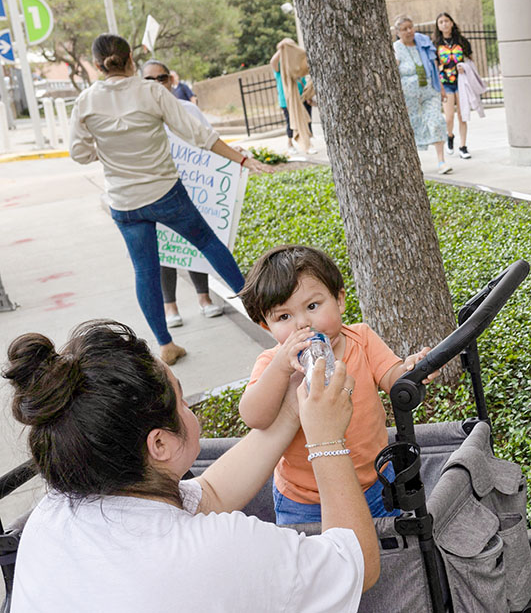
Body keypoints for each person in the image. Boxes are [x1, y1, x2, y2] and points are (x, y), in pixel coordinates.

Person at [3, 319, 379, 611]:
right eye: (182, 401)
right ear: (160, 443)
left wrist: (293, 413)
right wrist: (327, 440)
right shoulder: (218, 553)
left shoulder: (57, 510)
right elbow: (355, 562)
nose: (189, 409)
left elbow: (209, 494)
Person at [69, 34, 271, 365]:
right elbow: (198, 135)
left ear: (96, 66)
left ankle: (166, 344)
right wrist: (243, 160)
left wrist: (104, 150)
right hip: (165, 193)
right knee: (208, 243)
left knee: (144, 270)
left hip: (125, 202)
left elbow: (78, 152)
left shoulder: (86, 102)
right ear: (130, 58)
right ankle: (258, 313)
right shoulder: (150, 91)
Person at [237, 245, 437, 525]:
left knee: (388, 551)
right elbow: (254, 416)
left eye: (312, 306)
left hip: (376, 484)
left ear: (339, 300)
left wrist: (412, 369)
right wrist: (281, 368)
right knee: (317, 565)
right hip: (305, 500)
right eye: (284, 317)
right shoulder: (273, 363)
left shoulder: (362, 340)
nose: (303, 323)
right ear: (266, 327)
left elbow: (395, 381)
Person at [142, 59, 225, 327]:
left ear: (171, 80)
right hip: (156, 192)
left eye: (162, 78)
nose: (156, 84)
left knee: (193, 244)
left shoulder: (188, 109)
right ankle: (170, 306)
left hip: (192, 188)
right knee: (165, 249)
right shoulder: (139, 115)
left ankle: (204, 298)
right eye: (149, 80)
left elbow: (210, 141)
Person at [392, 15, 450, 175]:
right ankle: (413, 164)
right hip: (408, 97)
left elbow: (434, 65)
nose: (409, 31)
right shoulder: (396, 48)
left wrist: (442, 88)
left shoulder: (423, 43)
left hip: (429, 91)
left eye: (411, 27)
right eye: (404, 29)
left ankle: (441, 161)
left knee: (437, 120)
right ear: (398, 32)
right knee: (412, 126)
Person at [433, 12, 473, 159]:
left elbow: (470, 60)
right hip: (445, 83)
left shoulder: (461, 41)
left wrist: (465, 68)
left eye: (446, 21)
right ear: (438, 26)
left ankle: (463, 146)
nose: (444, 24)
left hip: (461, 82)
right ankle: (450, 136)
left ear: (451, 23)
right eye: (441, 22)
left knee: (462, 116)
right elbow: (435, 65)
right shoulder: (436, 44)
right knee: (449, 117)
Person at [270, 38, 315, 156]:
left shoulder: (296, 65)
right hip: (287, 101)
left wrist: (308, 95)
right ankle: (290, 144)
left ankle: (308, 144)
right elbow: (272, 62)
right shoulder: (280, 67)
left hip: (302, 98)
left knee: (307, 120)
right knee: (291, 122)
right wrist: (282, 49)